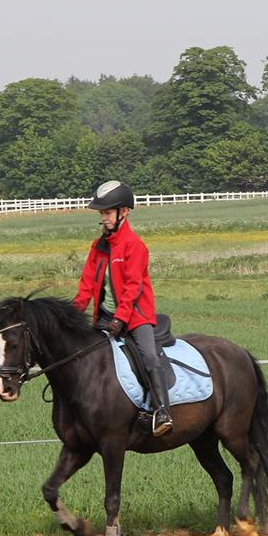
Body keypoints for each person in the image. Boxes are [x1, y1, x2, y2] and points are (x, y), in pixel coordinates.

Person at [72, 180, 173, 436]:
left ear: (123, 212)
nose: (103, 218)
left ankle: (162, 410)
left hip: (135, 318)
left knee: (149, 356)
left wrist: (121, 318)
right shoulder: (99, 247)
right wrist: (72, 314)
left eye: (107, 213)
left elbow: (133, 287)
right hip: (105, 318)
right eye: (101, 214)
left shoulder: (134, 245)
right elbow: (86, 285)